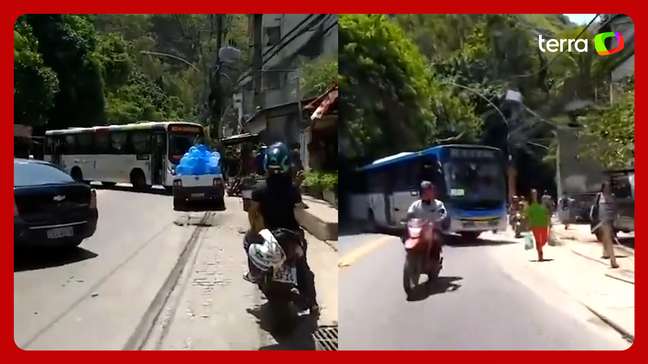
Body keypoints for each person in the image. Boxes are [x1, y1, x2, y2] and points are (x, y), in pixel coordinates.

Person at [244, 142, 319, 313]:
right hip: (292, 237)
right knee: (303, 265)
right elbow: (300, 214)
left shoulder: (260, 190)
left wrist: (256, 230)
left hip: (268, 236)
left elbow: (253, 214)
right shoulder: (293, 190)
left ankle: (255, 274)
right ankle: (313, 303)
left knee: (247, 241)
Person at [406, 181, 448, 260]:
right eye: (426, 191)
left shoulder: (438, 204)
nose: (429, 193)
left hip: (433, 229)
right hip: (419, 230)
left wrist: (438, 220)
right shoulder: (415, 204)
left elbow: (443, 213)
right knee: (407, 238)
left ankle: (435, 260)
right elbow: (410, 214)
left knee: (436, 240)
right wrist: (409, 219)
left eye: (430, 191)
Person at [591, 182, 620, 268]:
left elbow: (615, 208)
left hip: (611, 220)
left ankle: (605, 252)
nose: (607, 189)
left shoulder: (613, 196)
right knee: (609, 239)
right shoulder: (599, 196)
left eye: (609, 187)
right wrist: (594, 219)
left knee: (606, 238)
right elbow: (594, 207)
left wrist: (616, 218)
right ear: (602, 188)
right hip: (603, 221)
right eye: (606, 187)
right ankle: (613, 261)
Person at [526, 189, 551, 262]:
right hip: (535, 225)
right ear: (531, 196)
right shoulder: (530, 205)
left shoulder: (542, 204)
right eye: (533, 194)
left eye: (535, 194)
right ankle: (540, 254)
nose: (534, 195)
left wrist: (549, 222)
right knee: (538, 240)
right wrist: (528, 224)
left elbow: (547, 214)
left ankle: (540, 248)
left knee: (544, 240)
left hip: (544, 225)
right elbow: (529, 216)